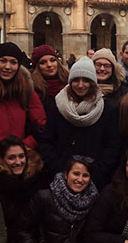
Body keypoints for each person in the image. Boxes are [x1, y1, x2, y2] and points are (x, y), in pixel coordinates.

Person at [39, 57, 120, 189]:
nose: (80, 85)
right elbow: (47, 141)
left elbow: (112, 146)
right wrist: (60, 170)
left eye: (86, 80)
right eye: (76, 80)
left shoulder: (107, 109)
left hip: (96, 180)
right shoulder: (58, 106)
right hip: (61, 178)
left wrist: (96, 173)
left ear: (93, 83)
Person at [0, 42, 46, 154]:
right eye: (3, 61)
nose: (7, 67)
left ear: (18, 66)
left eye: (13, 62)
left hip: (17, 161)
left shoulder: (27, 91)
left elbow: (41, 126)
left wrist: (23, 147)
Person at [0, 135, 45, 243]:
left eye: (21, 156)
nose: (18, 162)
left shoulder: (37, 181)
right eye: (11, 158)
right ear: (1, 160)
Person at [30, 44, 69, 112]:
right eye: (43, 62)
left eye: (52, 60)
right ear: (37, 67)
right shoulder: (32, 88)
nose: (49, 65)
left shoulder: (69, 82)